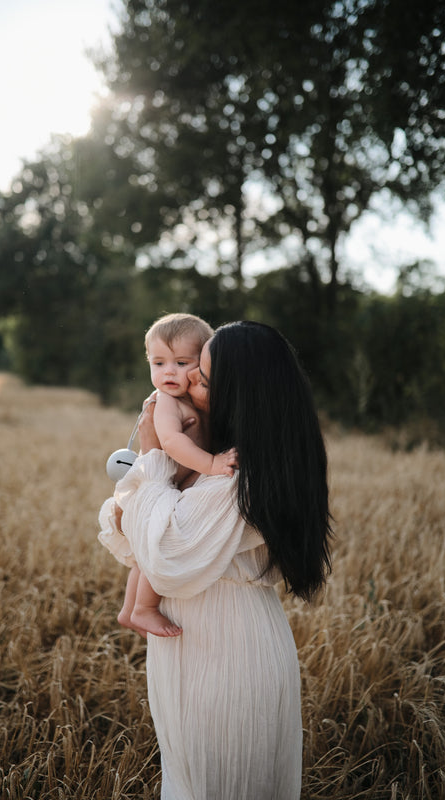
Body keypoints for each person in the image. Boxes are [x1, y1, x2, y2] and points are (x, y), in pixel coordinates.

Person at [98, 320, 332, 800]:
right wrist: (145, 496)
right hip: (191, 639)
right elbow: (126, 523)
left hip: (227, 651)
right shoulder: (224, 457)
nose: (186, 382)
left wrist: (152, 455)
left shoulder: (242, 474)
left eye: (202, 377)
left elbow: (163, 551)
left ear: (241, 394)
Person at [117, 313, 238, 637]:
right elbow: (171, 441)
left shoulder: (193, 400)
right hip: (160, 481)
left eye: (182, 363)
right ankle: (144, 608)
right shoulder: (166, 401)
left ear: (203, 364)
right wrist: (212, 464)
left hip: (173, 483)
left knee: (145, 552)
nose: (168, 372)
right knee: (155, 544)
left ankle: (129, 611)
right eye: (158, 363)